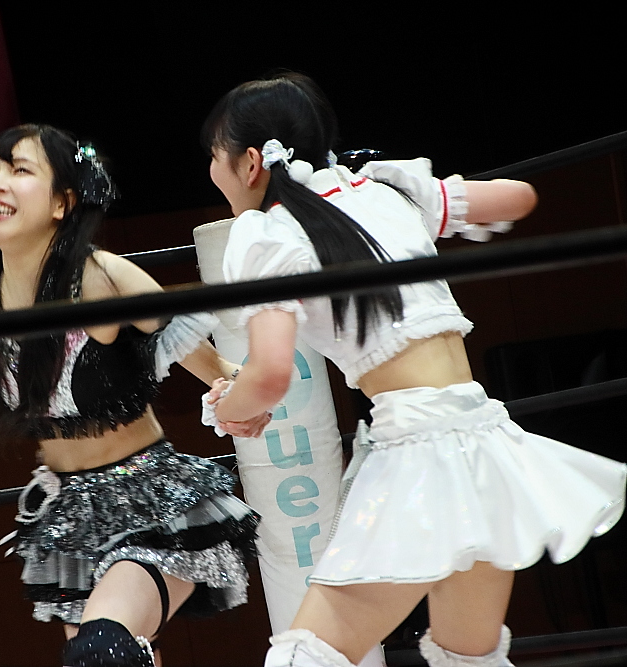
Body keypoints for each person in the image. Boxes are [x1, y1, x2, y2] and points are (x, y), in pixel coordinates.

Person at [198, 73, 627, 667]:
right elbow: (518, 197)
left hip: (421, 453)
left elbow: (269, 376)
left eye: (213, 157)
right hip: (485, 441)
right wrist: (414, 190)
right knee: (468, 659)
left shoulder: (267, 233)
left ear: (250, 164)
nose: (212, 172)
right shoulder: (385, 191)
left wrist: (228, 409)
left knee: (306, 659)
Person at [0, 124, 268, 667]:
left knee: (102, 652)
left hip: (150, 505)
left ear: (62, 202)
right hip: (68, 520)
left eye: (19, 170)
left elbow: (187, 344)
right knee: (109, 656)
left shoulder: (98, 276)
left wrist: (235, 388)